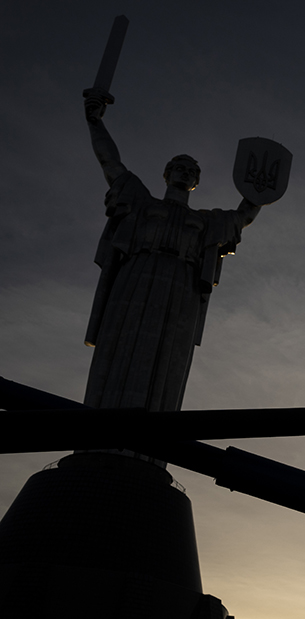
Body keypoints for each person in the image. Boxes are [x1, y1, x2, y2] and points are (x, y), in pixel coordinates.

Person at [82, 90, 261, 416]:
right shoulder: (141, 201)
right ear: (166, 173)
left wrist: (261, 188)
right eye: (178, 166)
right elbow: (110, 163)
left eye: (191, 170)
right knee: (122, 343)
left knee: (167, 355)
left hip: (181, 284)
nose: (185, 171)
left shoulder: (205, 221)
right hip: (137, 275)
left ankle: (149, 442)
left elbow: (245, 215)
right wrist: (94, 122)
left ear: (196, 182)